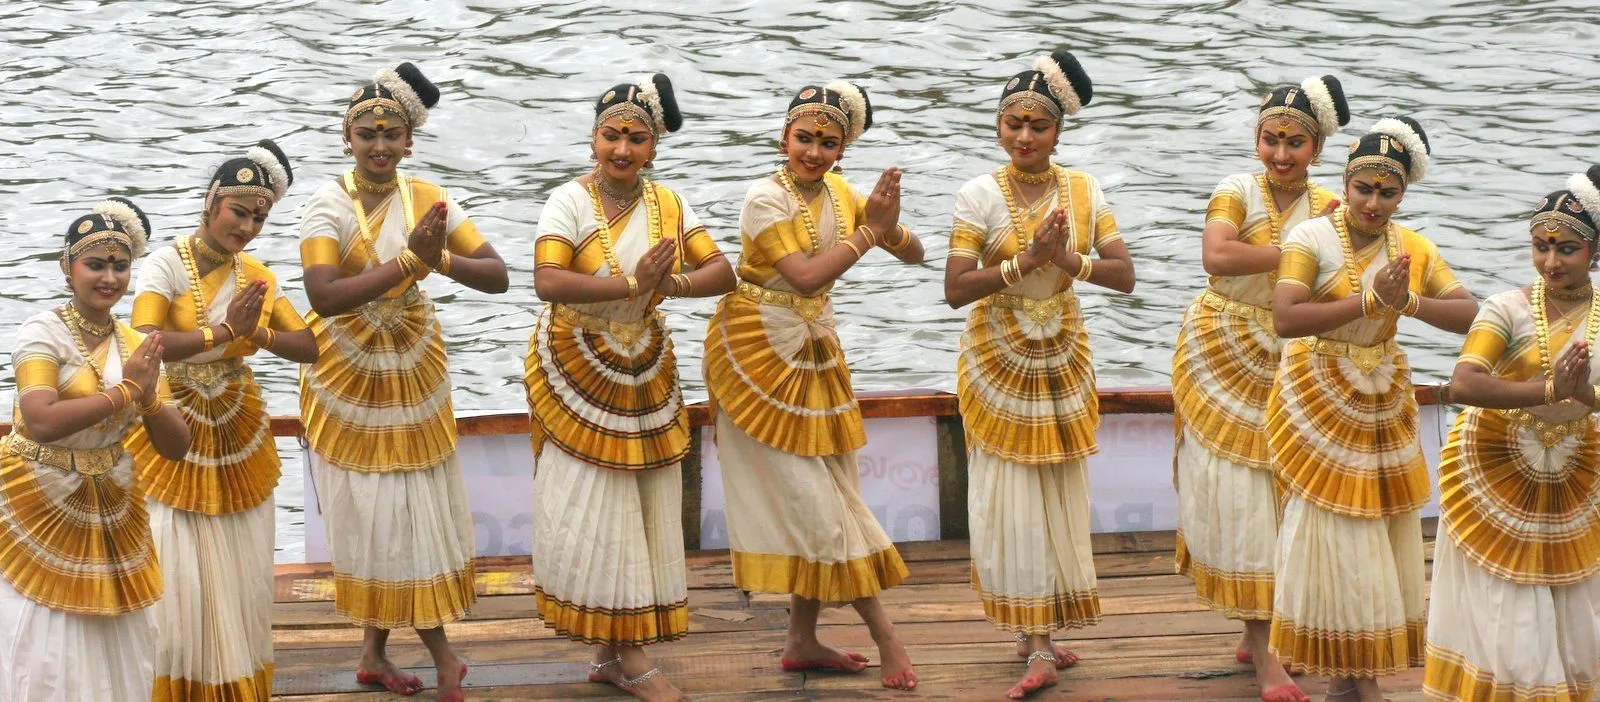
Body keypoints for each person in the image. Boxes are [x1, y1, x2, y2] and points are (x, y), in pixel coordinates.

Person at [702, 79, 926, 691]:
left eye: (828, 143)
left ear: (841, 151)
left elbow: (918, 254)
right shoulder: (762, 199)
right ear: (784, 138)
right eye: (805, 138)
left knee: (832, 483)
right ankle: (887, 638)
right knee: (820, 509)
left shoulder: (840, 194)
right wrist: (870, 233)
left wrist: (891, 226)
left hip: (815, 352)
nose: (814, 152)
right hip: (755, 355)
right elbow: (802, 278)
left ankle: (801, 640)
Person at [298, 62, 509, 701]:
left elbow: (496, 274)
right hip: (346, 381)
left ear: (410, 142)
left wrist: (436, 255)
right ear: (347, 137)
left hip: (415, 377)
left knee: (412, 516)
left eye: (392, 134)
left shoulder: (429, 201)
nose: (381, 145)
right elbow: (324, 295)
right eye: (368, 133)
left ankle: (373, 653)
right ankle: (444, 657)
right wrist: (409, 261)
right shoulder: (326, 203)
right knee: (374, 520)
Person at [525, 72, 735, 702]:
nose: (622, 149)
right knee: (592, 503)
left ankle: (618, 651)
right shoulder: (567, 202)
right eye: (611, 135)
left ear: (654, 146)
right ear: (593, 139)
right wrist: (632, 285)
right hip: (575, 360)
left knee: (642, 505)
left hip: (643, 360)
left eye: (636, 139)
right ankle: (624, 654)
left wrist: (671, 287)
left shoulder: (668, 205)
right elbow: (548, 282)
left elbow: (722, 270)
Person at [944, 48, 1137, 700]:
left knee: (1058, 490)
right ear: (999, 125)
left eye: (1038, 125)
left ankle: (1046, 631)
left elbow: (1125, 275)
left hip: (1062, 353)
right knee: (1011, 496)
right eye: (1013, 123)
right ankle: (1034, 642)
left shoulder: (1084, 191)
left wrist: (1070, 262)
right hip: (997, 356)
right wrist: (1025, 261)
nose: (1024, 137)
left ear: (1058, 130)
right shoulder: (977, 196)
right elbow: (954, 289)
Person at [1267, 117, 1478, 702]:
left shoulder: (1412, 247)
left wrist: (1405, 300)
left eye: (1388, 192)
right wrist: (1366, 300)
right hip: (1317, 390)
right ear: (1347, 181)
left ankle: (1367, 669)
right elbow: (1286, 317)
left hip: (1381, 394)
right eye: (1364, 188)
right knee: (1331, 527)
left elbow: (1468, 315)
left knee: (1379, 527)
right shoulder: (1310, 238)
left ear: (1402, 195)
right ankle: (1341, 672)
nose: (1373, 202)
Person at [1170, 75, 1349, 702]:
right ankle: (1264, 650)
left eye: (1295, 142)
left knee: (1284, 494)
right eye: (1270, 139)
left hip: (1291, 356)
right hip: (1222, 350)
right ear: (1257, 139)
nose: (1280, 154)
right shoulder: (1237, 190)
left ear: (1317, 148)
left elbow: (1333, 284)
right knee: (1240, 496)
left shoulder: (1335, 206)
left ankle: (1263, 633)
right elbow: (1217, 258)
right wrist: (1301, 249)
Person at [126, 139, 318, 701]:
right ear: (212, 203)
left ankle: (233, 682)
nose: (248, 226)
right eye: (239, 211)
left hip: (236, 427)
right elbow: (142, 344)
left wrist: (256, 332)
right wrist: (226, 334)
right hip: (175, 427)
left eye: (259, 217)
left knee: (241, 558)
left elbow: (307, 345)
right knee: (179, 560)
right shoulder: (165, 264)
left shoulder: (255, 274)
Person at [0, 198, 191, 701]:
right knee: (45, 630)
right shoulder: (42, 331)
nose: (109, 277)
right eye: (96, 264)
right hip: (39, 495)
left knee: (119, 631)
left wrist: (149, 397)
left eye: (120, 266)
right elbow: (40, 420)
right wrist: (127, 392)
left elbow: (177, 446)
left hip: (111, 498)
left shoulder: (137, 345)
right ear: (68, 269)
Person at [1422, 166, 1600, 701]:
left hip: (1575, 468)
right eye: (1541, 246)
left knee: (1572, 601)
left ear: (1594, 251)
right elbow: (1464, 383)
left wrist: (1584, 397)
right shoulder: (1507, 308)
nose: (1551, 261)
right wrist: (1549, 391)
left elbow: (1588, 399)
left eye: (1566, 248)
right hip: (1495, 465)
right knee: (1509, 604)